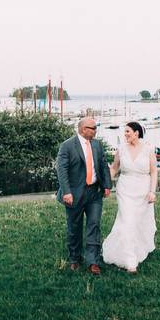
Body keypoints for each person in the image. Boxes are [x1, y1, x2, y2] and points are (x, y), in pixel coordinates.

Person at [56, 116, 112, 275]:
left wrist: (107, 185)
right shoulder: (67, 146)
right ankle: (75, 259)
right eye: (93, 128)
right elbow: (62, 170)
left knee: (94, 225)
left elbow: (103, 165)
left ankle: (93, 261)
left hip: (94, 193)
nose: (95, 131)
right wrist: (66, 191)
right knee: (74, 227)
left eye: (95, 128)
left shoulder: (97, 145)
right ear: (83, 129)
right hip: (73, 194)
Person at [102, 121, 158, 274]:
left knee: (138, 223)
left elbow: (153, 172)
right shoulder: (121, 149)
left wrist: (152, 191)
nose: (125, 134)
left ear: (136, 133)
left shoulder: (148, 149)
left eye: (127, 131)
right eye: (125, 132)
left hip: (143, 190)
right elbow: (114, 168)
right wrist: (105, 184)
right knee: (127, 222)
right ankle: (130, 262)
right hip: (125, 190)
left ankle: (139, 248)